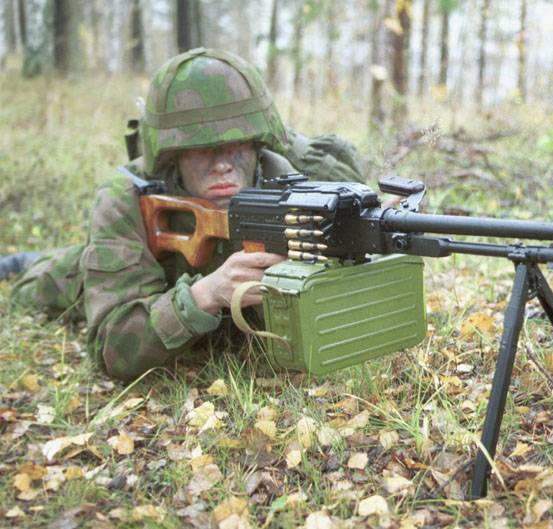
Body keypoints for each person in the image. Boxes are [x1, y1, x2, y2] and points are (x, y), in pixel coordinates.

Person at [5, 48, 365, 382]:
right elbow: (113, 350)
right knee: (44, 284)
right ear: (171, 155)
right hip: (126, 270)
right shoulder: (126, 197)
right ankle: (22, 262)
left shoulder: (284, 179)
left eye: (236, 145)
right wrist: (205, 295)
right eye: (201, 151)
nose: (223, 164)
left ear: (258, 143)